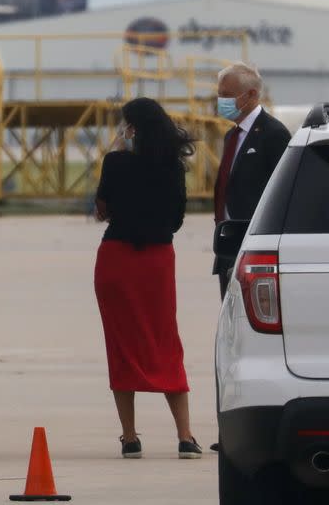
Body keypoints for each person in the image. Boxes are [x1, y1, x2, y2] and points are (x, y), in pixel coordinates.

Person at [94, 97, 202, 460]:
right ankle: (185, 435)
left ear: (132, 129)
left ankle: (129, 436)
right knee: (165, 339)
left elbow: (102, 208)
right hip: (157, 261)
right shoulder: (173, 167)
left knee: (121, 344)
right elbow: (176, 219)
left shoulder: (115, 162)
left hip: (117, 259)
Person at [213, 62, 291, 299]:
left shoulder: (273, 134)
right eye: (219, 95)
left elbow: (282, 192)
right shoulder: (231, 135)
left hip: (254, 245)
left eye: (227, 95)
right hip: (228, 243)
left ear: (252, 95)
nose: (221, 101)